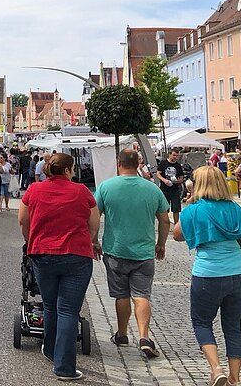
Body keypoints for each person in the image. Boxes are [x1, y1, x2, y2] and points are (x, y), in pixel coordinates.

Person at [173, 165, 241, 386]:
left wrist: (190, 209)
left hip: (208, 274)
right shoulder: (234, 209)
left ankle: (216, 368)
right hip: (239, 273)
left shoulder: (194, 210)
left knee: (201, 322)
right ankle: (235, 379)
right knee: (233, 325)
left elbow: (177, 235)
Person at [19, 153, 100, 381]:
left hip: (42, 254)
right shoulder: (82, 191)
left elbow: (23, 220)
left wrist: (30, 241)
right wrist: (89, 240)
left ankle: (50, 349)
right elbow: (94, 223)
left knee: (50, 305)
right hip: (76, 256)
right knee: (68, 310)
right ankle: (64, 367)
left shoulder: (34, 190)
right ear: (67, 170)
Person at [94, 149, 170, 358]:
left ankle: (121, 333)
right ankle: (144, 337)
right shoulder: (152, 189)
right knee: (142, 295)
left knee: (121, 295)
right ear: (138, 164)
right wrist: (160, 243)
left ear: (119, 163)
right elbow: (165, 219)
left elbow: (94, 216)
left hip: (115, 250)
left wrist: (94, 241)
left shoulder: (106, 187)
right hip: (144, 252)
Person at [156, 149, 186, 225]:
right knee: (164, 209)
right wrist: (164, 180)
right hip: (164, 189)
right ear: (169, 154)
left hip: (175, 189)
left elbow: (181, 177)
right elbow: (158, 173)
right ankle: (164, 223)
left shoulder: (178, 165)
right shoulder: (163, 163)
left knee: (176, 209)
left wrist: (178, 181)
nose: (175, 157)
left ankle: (176, 225)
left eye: (177, 155)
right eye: (174, 155)